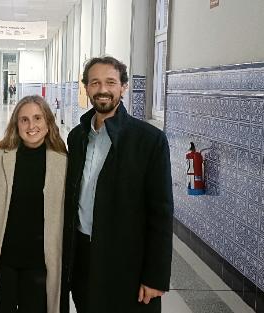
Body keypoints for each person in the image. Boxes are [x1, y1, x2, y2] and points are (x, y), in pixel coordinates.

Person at [60, 56, 174, 313]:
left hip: (127, 260)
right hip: (83, 257)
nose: (102, 89)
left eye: (111, 82)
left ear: (123, 87)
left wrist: (155, 276)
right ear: (86, 88)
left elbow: (161, 213)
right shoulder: (77, 137)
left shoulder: (148, 140)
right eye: (95, 82)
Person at [0, 95, 67, 313]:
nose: (31, 126)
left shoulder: (63, 161)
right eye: (24, 120)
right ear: (16, 124)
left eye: (37, 118)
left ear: (48, 122)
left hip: (40, 262)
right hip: (0, 259)